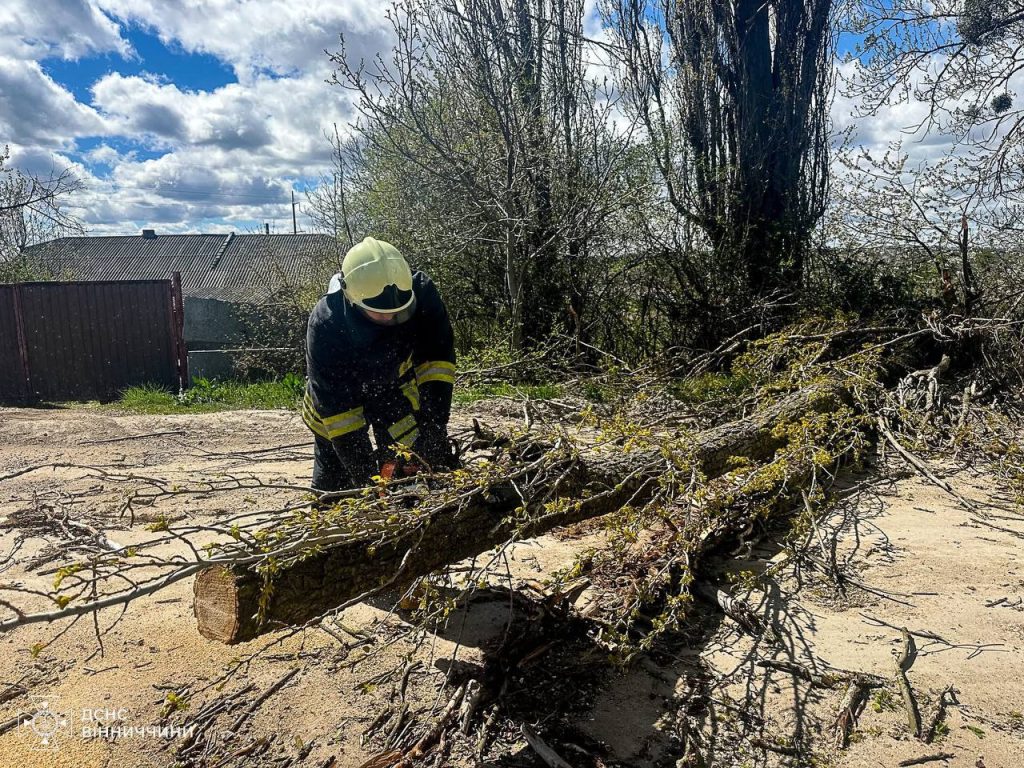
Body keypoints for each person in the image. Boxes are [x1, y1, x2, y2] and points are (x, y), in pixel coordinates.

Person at [302, 237, 456, 491]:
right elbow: (339, 414)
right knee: (337, 491)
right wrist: (368, 483)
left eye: (398, 309)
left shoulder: (424, 295)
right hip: (338, 411)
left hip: (392, 396)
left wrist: (435, 426)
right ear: (351, 298)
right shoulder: (326, 325)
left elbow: (437, 364)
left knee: (416, 465)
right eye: (379, 311)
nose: (390, 316)